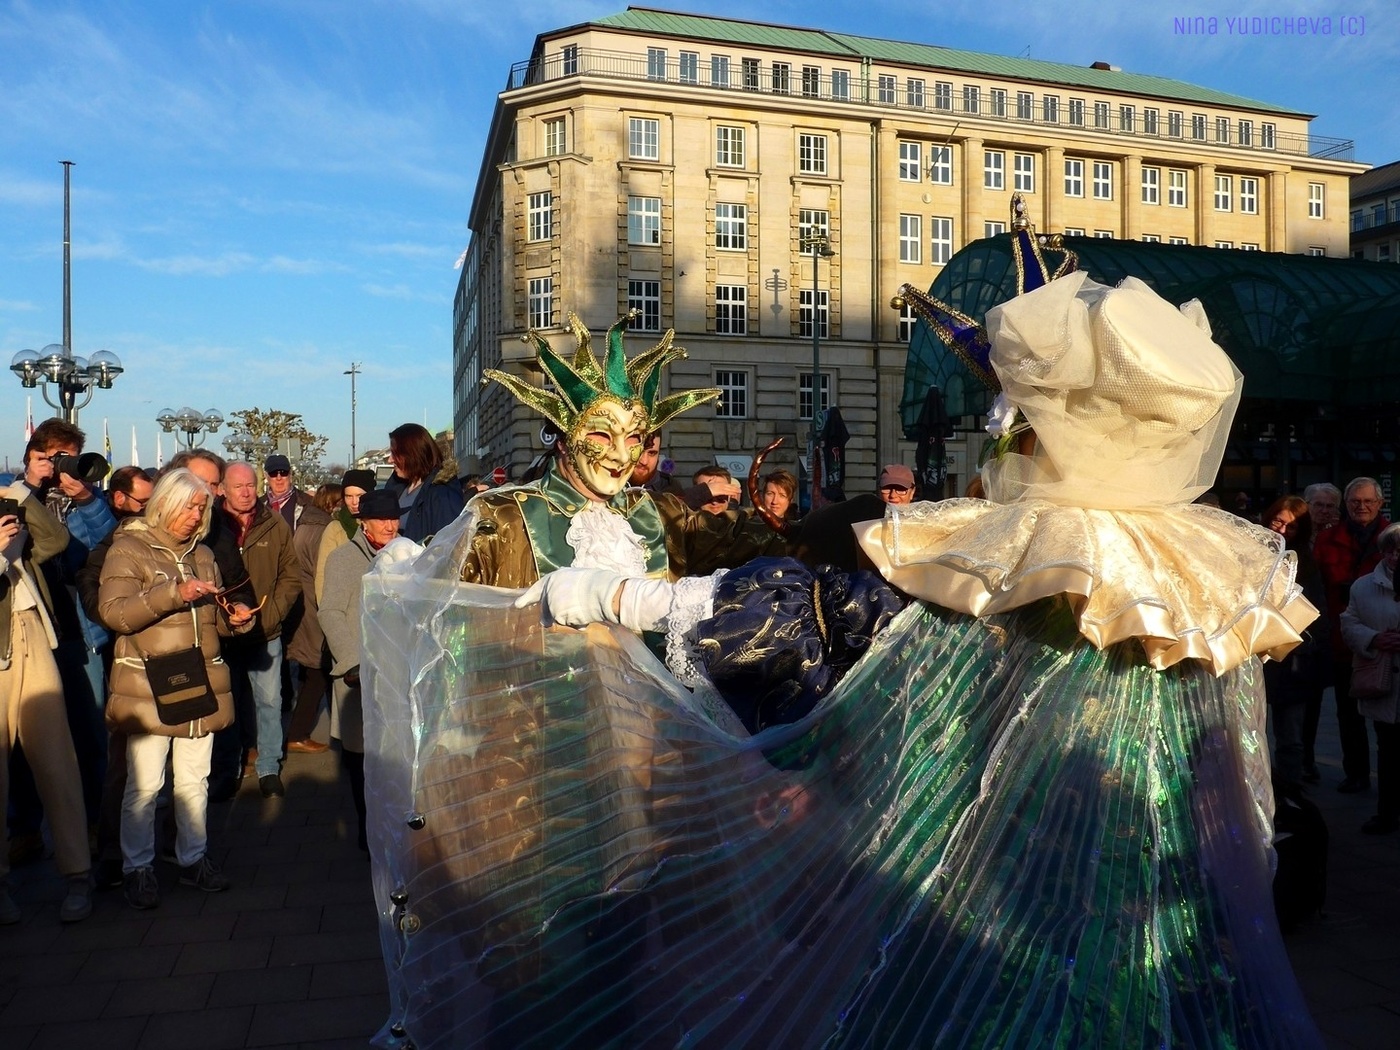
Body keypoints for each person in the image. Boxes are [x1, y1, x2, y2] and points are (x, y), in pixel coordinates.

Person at [360, 242, 1325, 1050]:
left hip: (1011, 882)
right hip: (1168, 902)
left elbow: (822, 616)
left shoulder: (1024, 553)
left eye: (1005, 426)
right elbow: (1239, 767)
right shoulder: (1204, 560)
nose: (994, 451)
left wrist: (620, 594)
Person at [98, 469, 252, 909]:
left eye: (201, 508)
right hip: (147, 684)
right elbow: (114, 614)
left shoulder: (204, 553)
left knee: (193, 780)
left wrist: (235, 617)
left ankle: (193, 859)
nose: (195, 516)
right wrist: (173, 593)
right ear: (164, 503)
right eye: (188, 506)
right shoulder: (128, 547)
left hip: (199, 682)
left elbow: (212, 618)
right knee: (145, 784)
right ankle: (138, 868)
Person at [0, 481, 93, 924]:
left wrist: (23, 493)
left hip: (31, 631)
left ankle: (77, 873)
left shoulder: (9, 500)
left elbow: (54, 542)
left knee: (57, 758)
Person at [319, 489, 402, 852]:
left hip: (396, 672)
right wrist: (352, 662)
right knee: (361, 758)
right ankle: (368, 832)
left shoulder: (406, 555)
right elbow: (330, 611)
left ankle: (394, 826)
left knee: (395, 756)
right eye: (381, 519)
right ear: (363, 521)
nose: (390, 525)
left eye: (394, 517)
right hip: (359, 675)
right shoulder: (344, 559)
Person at [214, 461, 302, 799]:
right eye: (239, 486)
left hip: (265, 632)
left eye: (251, 484)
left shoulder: (273, 523)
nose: (247, 491)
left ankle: (268, 766)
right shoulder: (210, 524)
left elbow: (290, 576)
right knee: (228, 705)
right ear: (223, 488)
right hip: (223, 633)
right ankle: (226, 770)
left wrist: (271, 615)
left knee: (269, 700)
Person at [1315, 476, 1390, 794]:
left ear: (1379, 503)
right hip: (1343, 639)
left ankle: (1389, 781)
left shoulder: (1393, 537)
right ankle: (1356, 773)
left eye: (1368, 501)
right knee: (1348, 714)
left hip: (1386, 641)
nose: (1362, 506)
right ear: (1346, 505)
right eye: (1355, 501)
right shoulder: (1328, 540)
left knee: (1388, 719)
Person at [1260, 496, 1328, 788]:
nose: (1283, 530)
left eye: (1292, 526)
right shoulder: (1252, 553)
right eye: (1278, 521)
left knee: (1290, 738)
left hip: (1292, 659)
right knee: (1253, 735)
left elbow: (1316, 614)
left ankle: (1290, 793)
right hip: (1256, 656)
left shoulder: (1307, 565)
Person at [1339, 522, 1400, 834]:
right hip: (1384, 682)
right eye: (1391, 549)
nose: (1396, 556)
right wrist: (1374, 638)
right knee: (1387, 750)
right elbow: (1349, 623)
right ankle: (1387, 813)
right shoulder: (1363, 586)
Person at [284, 483, 339, 754]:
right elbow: (324, 574)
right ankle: (298, 733)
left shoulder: (306, 524)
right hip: (314, 607)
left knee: (312, 672)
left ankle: (303, 731)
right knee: (319, 671)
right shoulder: (323, 530)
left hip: (303, 606)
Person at [383, 423, 464, 543]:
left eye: (395, 454)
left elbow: (448, 547)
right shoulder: (396, 487)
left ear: (412, 454)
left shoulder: (442, 495)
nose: (390, 460)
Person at [315, 468, 376, 603]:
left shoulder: (382, 525)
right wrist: (326, 611)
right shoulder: (335, 529)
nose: (354, 502)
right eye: (349, 496)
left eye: (359, 496)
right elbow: (323, 575)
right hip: (343, 607)